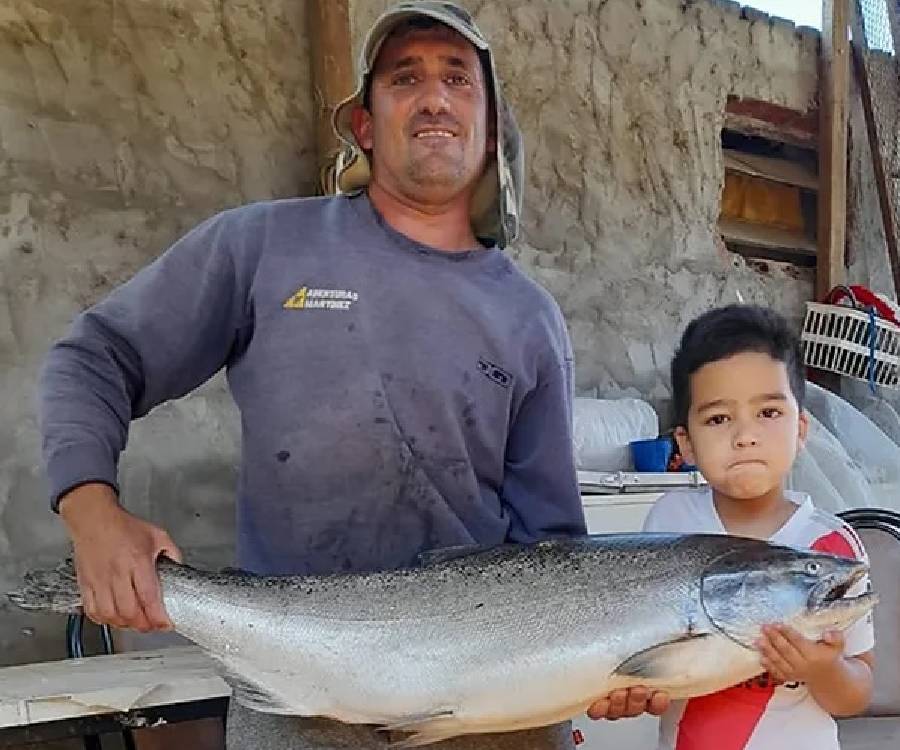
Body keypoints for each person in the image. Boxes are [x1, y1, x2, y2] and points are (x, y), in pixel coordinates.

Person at [38, 2, 665, 748]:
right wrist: (91, 512)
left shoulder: (529, 317)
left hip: (494, 719)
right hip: (300, 710)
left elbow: (553, 551)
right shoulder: (264, 246)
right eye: (405, 78)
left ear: (493, 126)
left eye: (458, 79)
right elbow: (96, 356)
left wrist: (614, 663)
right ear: (365, 126)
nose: (434, 97)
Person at [643, 304, 875, 750]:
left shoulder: (830, 550)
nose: (744, 435)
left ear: (801, 428)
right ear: (686, 443)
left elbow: (858, 691)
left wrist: (822, 670)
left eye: (768, 413)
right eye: (718, 418)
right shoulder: (669, 522)